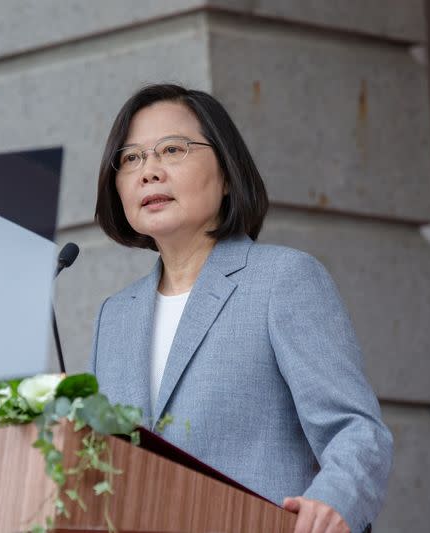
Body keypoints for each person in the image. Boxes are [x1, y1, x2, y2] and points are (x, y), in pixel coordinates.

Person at [90, 84, 392, 533]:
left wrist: (333, 503)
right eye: (131, 158)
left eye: (171, 149)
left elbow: (356, 430)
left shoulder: (282, 280)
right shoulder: (114, 316)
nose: (148, 171)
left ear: (228, 174)